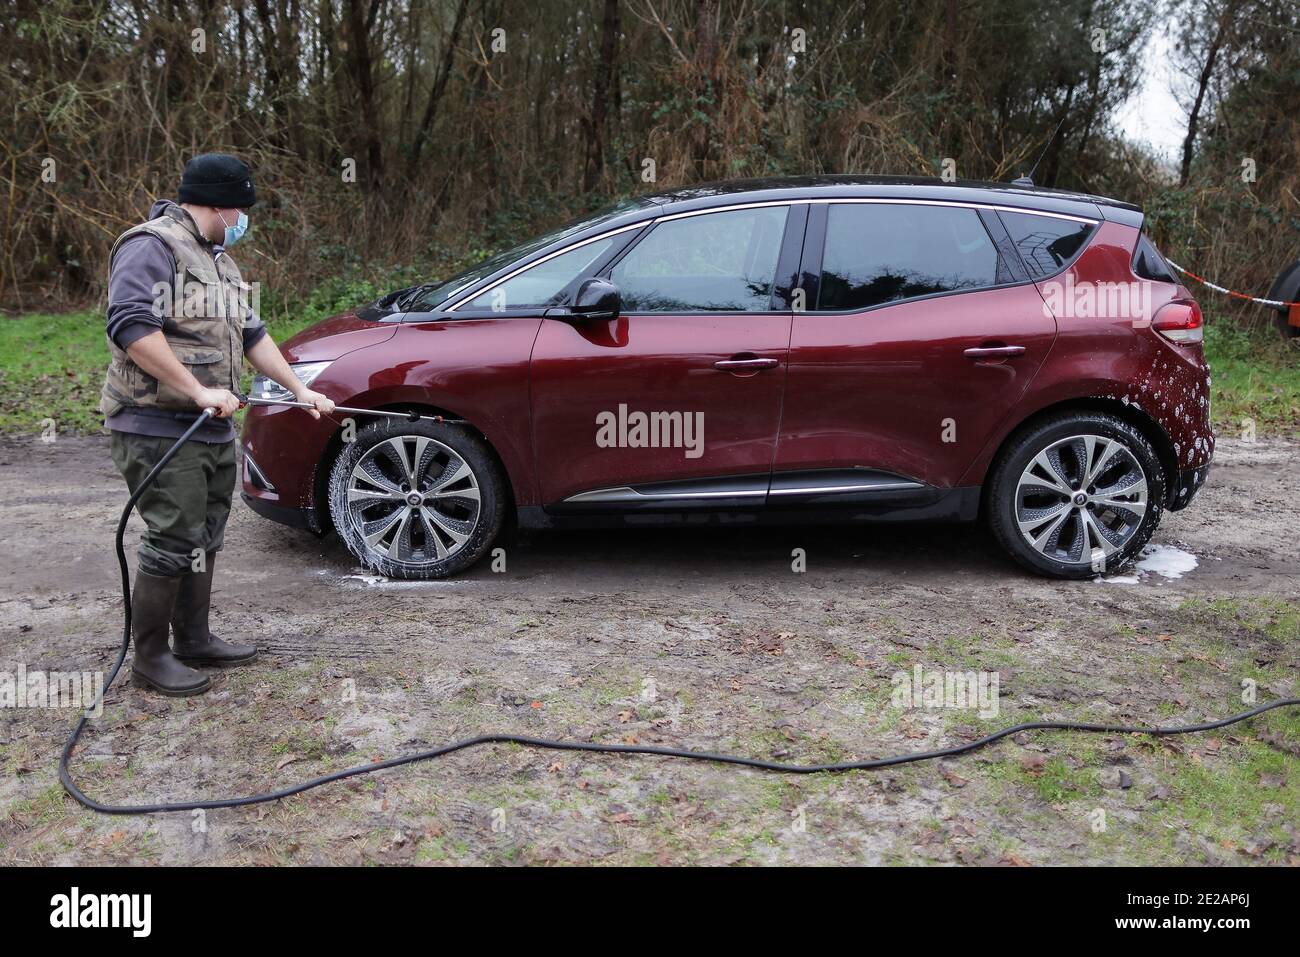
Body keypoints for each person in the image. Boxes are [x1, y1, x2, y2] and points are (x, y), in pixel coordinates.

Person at [101, 153, 334, 696]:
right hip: (157, 424)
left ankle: (195, 638)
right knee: (174, 535)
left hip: (209, 428)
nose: (243, 220)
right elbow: (132, 326)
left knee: (206, 533)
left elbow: (252, 336)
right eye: (241, 209)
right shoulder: (150, 246)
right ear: (223, 204)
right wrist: (199, 389)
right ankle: (150, 658)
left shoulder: (219, 260)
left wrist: (299, 390)